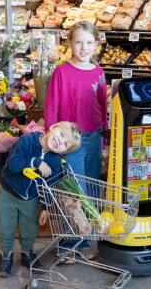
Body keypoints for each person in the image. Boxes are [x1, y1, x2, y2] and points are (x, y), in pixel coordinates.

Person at [44, 20, 107, 261]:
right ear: (69, 43)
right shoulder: (61, 71)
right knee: (72, 190)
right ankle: (70, 244)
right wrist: (53, 139)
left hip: (93, 137)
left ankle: (86, 238)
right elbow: (52, 107)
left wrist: (103, 138)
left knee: (90, 188)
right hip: (70, 142)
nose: (83, 47)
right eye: (78, 41)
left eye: (89, 42)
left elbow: (102, 106)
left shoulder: (99, 73)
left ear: (96, 45)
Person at [0, 121, 82, 277]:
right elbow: (13, 165)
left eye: (65, 144)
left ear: (65, 151)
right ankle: (5, 254)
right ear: (53, 127)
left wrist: (46, 208)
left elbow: (50, 186)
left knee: (30, 226)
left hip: (31, 198)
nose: (59, 141)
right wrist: (36, 162)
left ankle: (27, 252)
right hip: (8, 191)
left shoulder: (54, 160)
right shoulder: (26, 140)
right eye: (61, 134)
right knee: (5, 226)